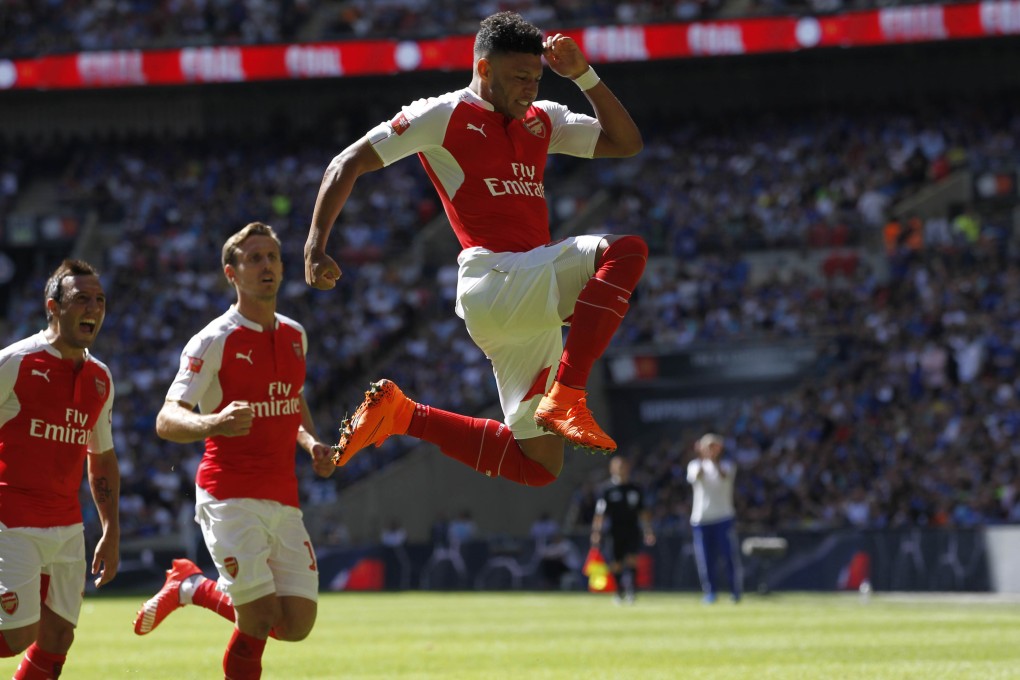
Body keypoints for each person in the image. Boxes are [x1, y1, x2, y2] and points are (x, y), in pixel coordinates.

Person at [304, 11, 646, 487]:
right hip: (496, 280)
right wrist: (315, 245)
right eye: (518, 77)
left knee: (540, 466)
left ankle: (405, 417)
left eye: (535, 77)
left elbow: (626, 143)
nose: (529, 87)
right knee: (624, 252)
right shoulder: (441, 114)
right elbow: (347, 162)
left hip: (524, 298)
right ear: (484, 69)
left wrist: (583, 76)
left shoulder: (542, 119)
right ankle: (569, 393)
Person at [131, 222, 336, 680]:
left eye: (272, 257)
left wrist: (311, 442)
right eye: (254, 258)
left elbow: (292, 399)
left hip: (283, 495)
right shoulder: (214, 340)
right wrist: (213, 422)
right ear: (232, 272)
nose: (266, 266)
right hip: (229, 495)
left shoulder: (295, 335)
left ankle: (191, 585)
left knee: (296, 625)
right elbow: (167, 418)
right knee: (259, 617)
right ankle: (192, 587)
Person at [0, 259, 120, 680]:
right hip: (12, 521)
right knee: (14, 636)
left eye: (100, 300)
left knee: (57, 639)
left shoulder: (101, 379)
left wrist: (110, 529)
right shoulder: (14, 363)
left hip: (67, 527)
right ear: (53, 306)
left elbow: (101, 457)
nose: (93, 308)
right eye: (81, 299)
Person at [590, 456, 654, 604]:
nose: (621, 469)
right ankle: (619, 592)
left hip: (632, 529)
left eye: (624, 466)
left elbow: (643, 512)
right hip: (614, 530)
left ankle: (632, 591)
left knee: (632, 560)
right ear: (612, 469)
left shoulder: (635, 489)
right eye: (618, 466)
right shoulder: (606, 489)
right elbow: (600, 514)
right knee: (616, 562)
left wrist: (648, 530)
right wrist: (596, 532)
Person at [687, 433, 742, 603]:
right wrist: (703, 457)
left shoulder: (727, 465)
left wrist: (714, 460)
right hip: (701, 519)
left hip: (723, 518)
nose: (711, 450)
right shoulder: (695, 465)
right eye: (707, 447)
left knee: (728, 556)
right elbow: (697, 477)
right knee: (706, 559)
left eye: (714, 446)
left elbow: (724, 476)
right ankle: (710, 592)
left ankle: (734, 591)